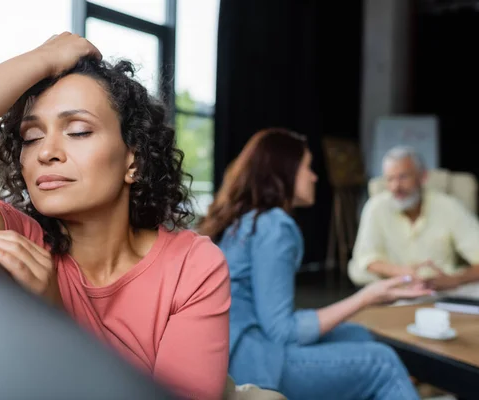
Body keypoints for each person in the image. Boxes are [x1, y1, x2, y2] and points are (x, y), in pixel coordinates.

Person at [0, 33, 230, 399]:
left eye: (78, 130)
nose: (46, 151)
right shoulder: (22, 240)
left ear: (134, 160)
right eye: (31, 137)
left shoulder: (192, 266)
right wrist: (43, 58)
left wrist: (55, 315)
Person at [198, 128, 432, 400]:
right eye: (307, 167)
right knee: (383, 361)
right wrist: (367, 297)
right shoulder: (274, 226)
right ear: (285, 172)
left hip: (236, 351)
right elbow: (282, 331)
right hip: (255, 362)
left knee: (359, 336)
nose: (314, 176)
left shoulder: (248, 220)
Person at [348, 145, 479, 291]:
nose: (396, 187)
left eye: (403, 177)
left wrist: (454, 280)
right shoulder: (375, 207)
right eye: (390, 179)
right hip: (393, 291)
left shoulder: (448, 206)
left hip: (442, 292)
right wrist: (407, 274)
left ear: (422, 177)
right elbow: (366, 259)